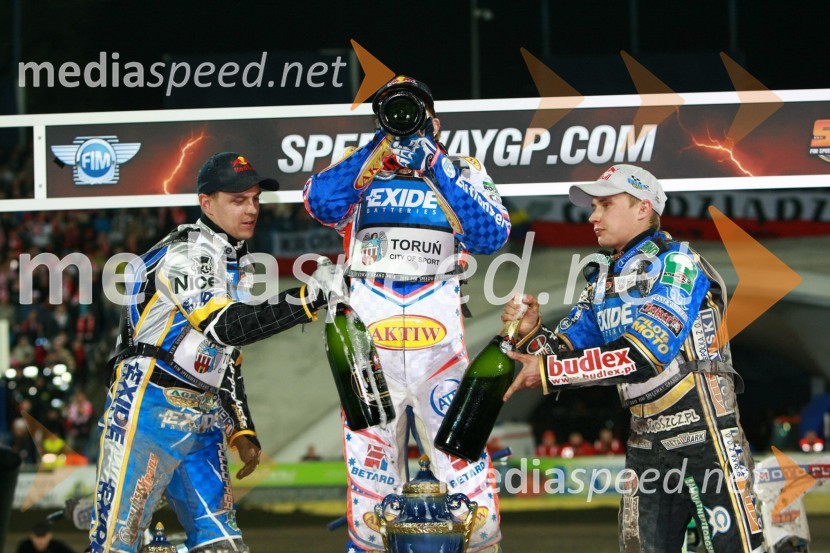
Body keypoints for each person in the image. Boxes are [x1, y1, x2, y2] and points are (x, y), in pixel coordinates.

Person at [502, 164, 765, 552]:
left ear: (643, 208)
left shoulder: (678, 263)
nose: (592, 216)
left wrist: (551, 370)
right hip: (645, 442)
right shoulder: (603, 281)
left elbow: (645, 355)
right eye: (594, 206)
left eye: (605, 205)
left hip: (706, 435)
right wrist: (531, 333)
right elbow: (558, 353)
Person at [89, 152, 342, 553]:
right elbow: (225, 326)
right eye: (238, 200)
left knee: (223, 545)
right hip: (147, 405)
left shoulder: (234, 260)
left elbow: (226, 352)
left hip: (202, 417)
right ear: (206, 203)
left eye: (255, 199)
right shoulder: (186, 253)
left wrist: (241, 428)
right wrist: (308, 298)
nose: (252, 209)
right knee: (117, 544)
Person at [304, 76, 511, 552]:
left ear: (434, 122)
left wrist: (434, 165)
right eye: (391, 113)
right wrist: (376, 150)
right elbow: (317, 203)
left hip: (440, 351)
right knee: (371, 499)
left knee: (469, 486)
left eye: (412, 112)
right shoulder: (361, 170)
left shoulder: (462, 169)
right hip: (369, 356)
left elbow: (492, 235)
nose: (403, 121)